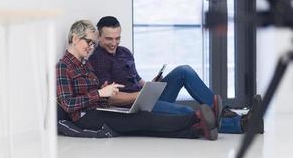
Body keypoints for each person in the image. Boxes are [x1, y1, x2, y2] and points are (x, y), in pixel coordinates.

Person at [88, 16, 264, 134]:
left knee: (184, 71)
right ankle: (243, 124)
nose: (114, 43)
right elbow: (109, 99)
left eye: (117, 38)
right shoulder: (97, 59)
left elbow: (137, 80)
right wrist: (140, 95)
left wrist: (151, 85)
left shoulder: (124, 52)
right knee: (187, 112)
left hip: (146, 97)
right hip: (135, 107)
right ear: (99, 37)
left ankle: (224, 112)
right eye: (108, 39)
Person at [56, 19, 220, 140]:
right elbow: (68, 104)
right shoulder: (64, 66)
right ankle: (198, 119)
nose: (91, 47)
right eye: (89, 42)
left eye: (93, 43)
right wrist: (100, 93)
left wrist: (106, 91)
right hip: (86, 116)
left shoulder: (85, 64)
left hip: (102, 108)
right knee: (142, 119)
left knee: (141, 125)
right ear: (76, 38)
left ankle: (196, 130)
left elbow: (97, 92)